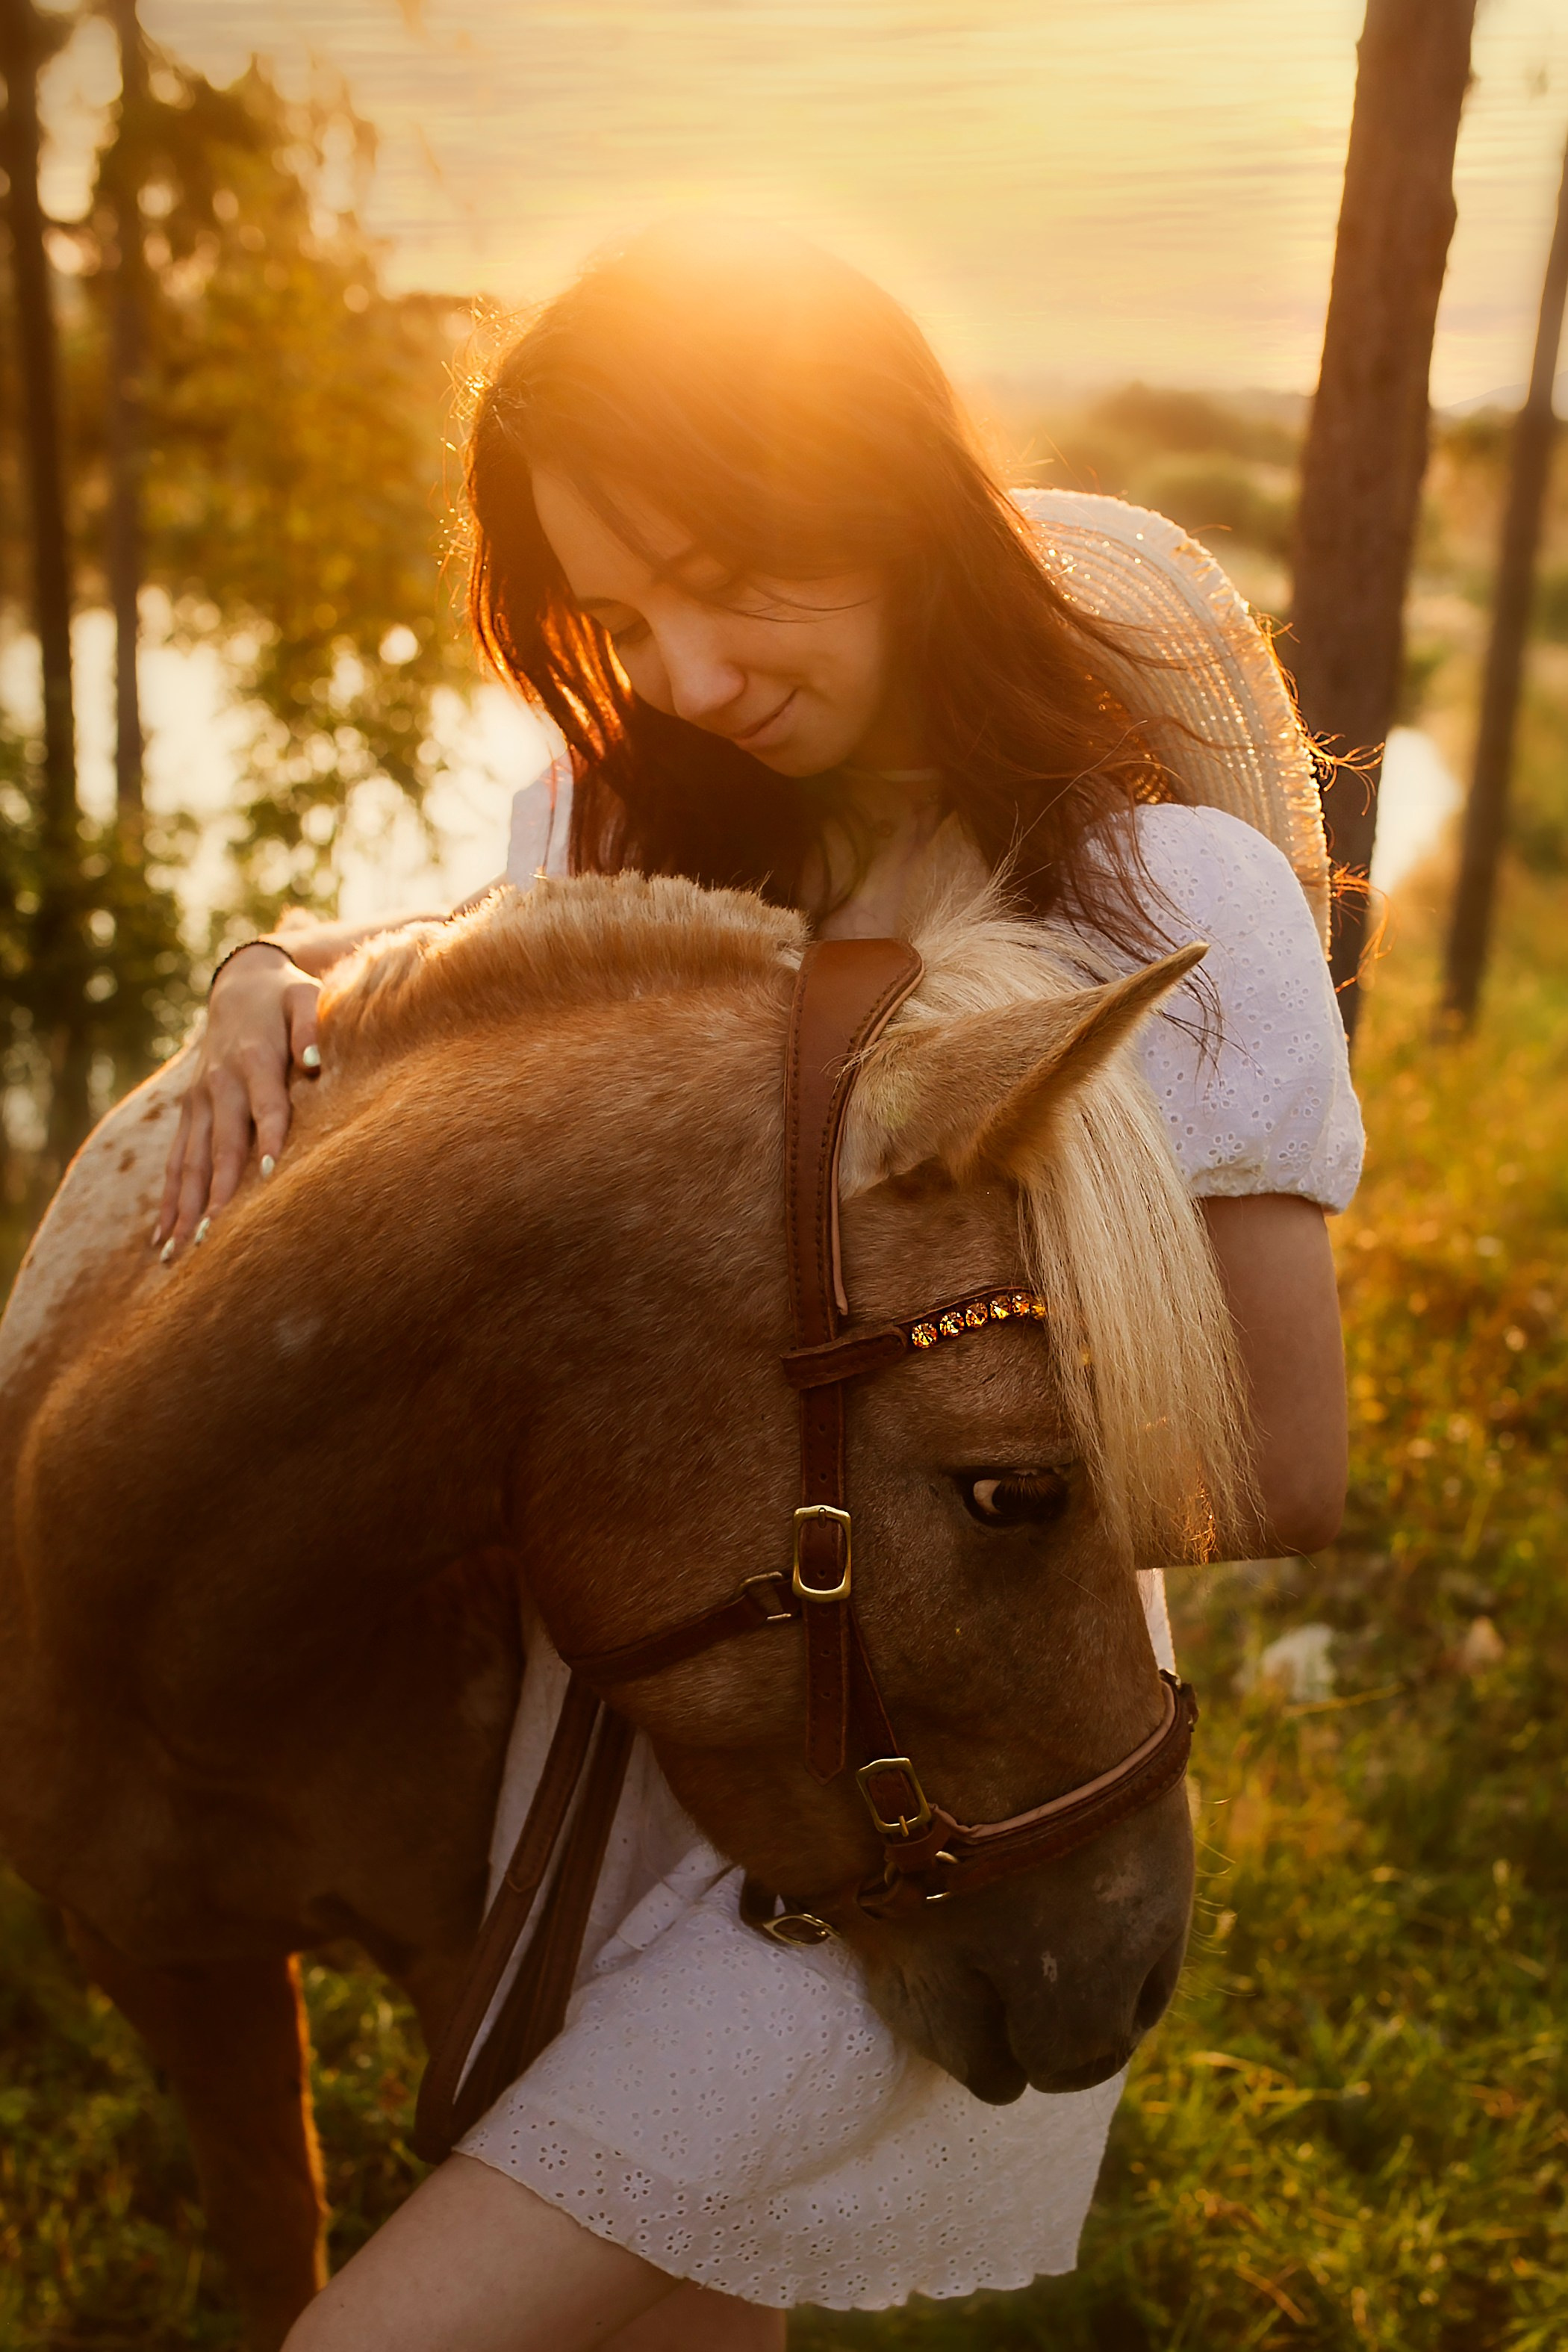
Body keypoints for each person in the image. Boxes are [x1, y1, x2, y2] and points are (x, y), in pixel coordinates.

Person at [159, 223, 1360, 2352]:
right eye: (625, 616)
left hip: (921, 1782)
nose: (691, 672)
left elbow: (1281, 1466)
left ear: (883, 492)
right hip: (592, 1752)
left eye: (731, 580)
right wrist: (271, 969)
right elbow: (456, 979)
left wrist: (902, 1448)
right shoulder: (612, 827)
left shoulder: (1173, 914)